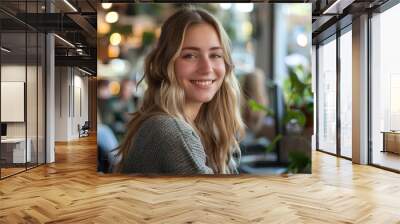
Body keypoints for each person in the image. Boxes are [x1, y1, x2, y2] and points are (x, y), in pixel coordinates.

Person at [116, 7, 245, 175]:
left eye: (215, 55)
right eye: (190, 55)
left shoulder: (187, 125)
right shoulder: (169, 130)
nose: (207, 68)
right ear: (166, 64)